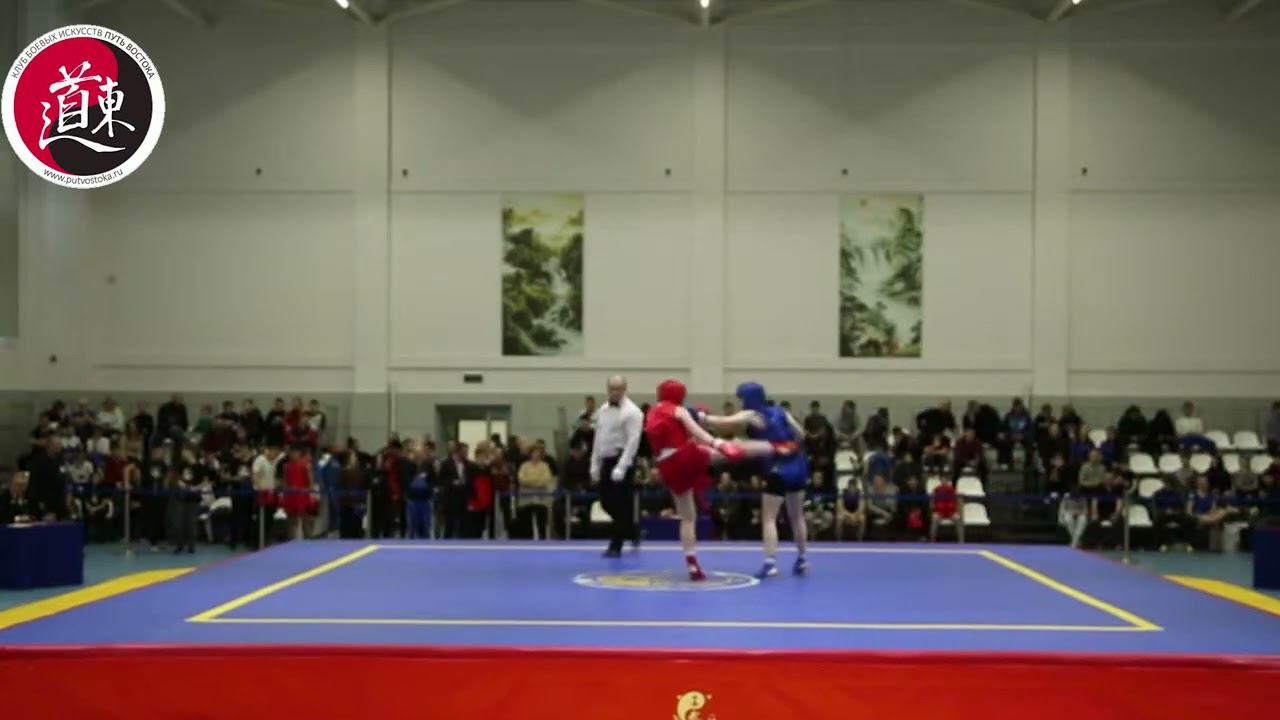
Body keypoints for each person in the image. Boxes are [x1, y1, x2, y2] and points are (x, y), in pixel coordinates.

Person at [702, 382, 809, 578]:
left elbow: (726, 422)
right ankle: (802, 559)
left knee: (769, 517)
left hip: (779, 468)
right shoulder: (781, 411)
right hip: (798, 465)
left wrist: (701, 417)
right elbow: (801, 433)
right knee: (797, 516)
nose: (741, 402)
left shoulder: (753, 414)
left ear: (749, 398)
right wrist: (787, 446)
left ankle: (770, 563)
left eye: (742, 398)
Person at [643, 379, 746, 581]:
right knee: (731, 452)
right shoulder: (678, 410)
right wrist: (718, 443)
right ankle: (770, 448)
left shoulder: (651, 412)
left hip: (666, 467)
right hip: (684, 456)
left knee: (688, 517)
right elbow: (696, 431)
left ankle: (692, 563)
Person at [590, 376, 645, 557]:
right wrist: (594, 463)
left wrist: (622, 466)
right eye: (612, 388)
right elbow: (598, 438)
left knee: (621, 504)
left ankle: (616, 545)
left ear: (625, 389)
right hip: (606, 460)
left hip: (622, 460)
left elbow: (633, 441)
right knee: (605, 502)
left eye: (618, 388)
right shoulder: (603, 410)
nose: (615, 392)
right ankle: (632, 529)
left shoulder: (633, 412)